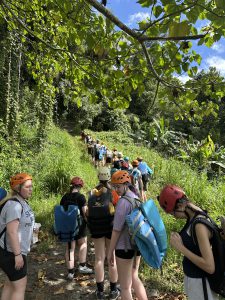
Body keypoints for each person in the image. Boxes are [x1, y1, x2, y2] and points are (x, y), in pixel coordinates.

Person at [158, 184, 219, 300]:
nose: (174, 217)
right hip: (195, 283)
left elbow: (209, 266)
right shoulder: (193, 217)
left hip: (202, 285)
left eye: (172, 213)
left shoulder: (199, 225)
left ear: (180, 206)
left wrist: (181, 248)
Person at [108, 170, 148, 300]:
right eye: (114, 187)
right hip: (137, 246)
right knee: (134, 276)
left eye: (118, 186)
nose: (116, 189)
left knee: (125, 287)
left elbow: (116, 230)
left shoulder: (122, 202)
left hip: (123, 247)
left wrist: (110, 251)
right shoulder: (137, 198)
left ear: (126, 184)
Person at [0, 172, 35, 300]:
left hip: (13, 251)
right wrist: (17, 255)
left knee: (10, 284)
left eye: (31, 186)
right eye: (27, 187)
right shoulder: (14, 205)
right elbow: (12, 232)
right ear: (17, 188)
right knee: (19, 287)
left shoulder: (22, 202)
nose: (31, 189)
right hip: (10, 253)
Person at [87, 167, 120, 300]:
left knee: (99, 259)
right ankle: (113, 290)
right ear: (109, 177)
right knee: (111, 258)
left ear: (98, 177)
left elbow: (87, 212)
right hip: (110, 227)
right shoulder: (113, 193)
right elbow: (118, 211)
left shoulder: (91, 192)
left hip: (96, 228)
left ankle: (100, 292)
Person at [60, 176, 93, 280]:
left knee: (70, 248)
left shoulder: (65, 197)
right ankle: (82, 266)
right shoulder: (81, 197)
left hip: (67, 225)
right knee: (83, 243)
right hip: (79, 226)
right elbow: (85, 212)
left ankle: (70, 272)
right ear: (80, 186)